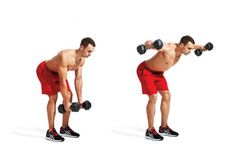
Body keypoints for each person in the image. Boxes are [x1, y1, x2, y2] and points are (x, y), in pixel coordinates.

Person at [136, 35, 207, 141]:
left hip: (158, 74)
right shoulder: (169, 47)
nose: (190, 51)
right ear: (181, 45)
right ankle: (150, 130)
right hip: (146, 71)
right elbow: (155, 46)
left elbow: (195, 46)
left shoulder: (183, 49)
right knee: (153, 97)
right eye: (189, 48)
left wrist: (204, 48)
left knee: (167, 95)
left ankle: (164, 127)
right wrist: (148, 45)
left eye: (191, 49)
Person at [36, 37, 96, 142]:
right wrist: (67, 103)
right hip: (45, 70)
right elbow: (63, 79)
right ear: (81, 47)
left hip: (58, 74)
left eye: (92, 52)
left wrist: (80, 100)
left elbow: (78, 79)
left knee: (69, 95)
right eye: (89, 51)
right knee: (53, 97)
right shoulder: (65, 56)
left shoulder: (81, 61)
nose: (90, 54)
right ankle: (50, 131)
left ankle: (64, 128)